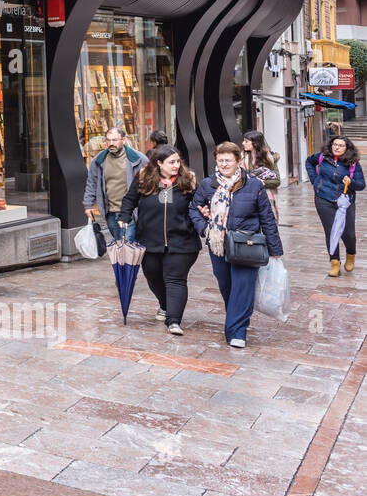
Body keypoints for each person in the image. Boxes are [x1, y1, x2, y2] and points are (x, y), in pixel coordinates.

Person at [190, 142, 283, 349]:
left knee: (242, 286)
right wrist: (204, 228)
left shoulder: (254, 184)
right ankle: (239, 316)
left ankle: (236, 331)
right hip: (218, 245)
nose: (224, 164)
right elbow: (194, 209)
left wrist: (275, 249)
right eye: (220, 160)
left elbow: (267, 218)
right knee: (227, 286)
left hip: (246, 243)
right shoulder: (208, 184)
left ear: (238, 161)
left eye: (228, 160)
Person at [118, 144, 201, 335]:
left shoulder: (188, 180)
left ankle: (173, 321)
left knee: (175, 279)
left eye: (178, 162)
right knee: (153, 276)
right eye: (171, 162)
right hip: (149, 240)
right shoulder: (144, 179)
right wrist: (124, 216)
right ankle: (165, 305)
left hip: (182, 241)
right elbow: (130, 199)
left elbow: (199, 203)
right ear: (159, 163)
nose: (176, 166)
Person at [305, 135, 365, 276]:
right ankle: (335, 263)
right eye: (335, 144)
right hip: (323, 198)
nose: (337, 147)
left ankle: (351, 254)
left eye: (341, 145)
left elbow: (362, 185)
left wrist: (351, 182)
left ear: (347, 148)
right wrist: (315, 180)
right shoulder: (322, 157)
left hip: (345, 201)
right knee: (331, 231)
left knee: (348, 233)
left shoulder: (353, 163)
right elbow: (309, 162)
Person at [84, 127, 146, 242]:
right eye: (108, 140)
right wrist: (88, 205)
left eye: (115, 140)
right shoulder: (99, 160)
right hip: (110, 211)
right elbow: (91, 183)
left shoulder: (138, 159)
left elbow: (152, 180)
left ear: (123, 140)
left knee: (127, 243)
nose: (111, 143)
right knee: (118, 243)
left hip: (130, 211)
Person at [241, 129, 282, 218]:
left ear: (255, 143)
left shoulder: (269, 158)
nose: (243, 143)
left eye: (246, 141)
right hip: (247, 197)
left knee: (269, 221)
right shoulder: (242, 159)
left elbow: (277, 181)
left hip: (266, 196)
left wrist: (262, 183)